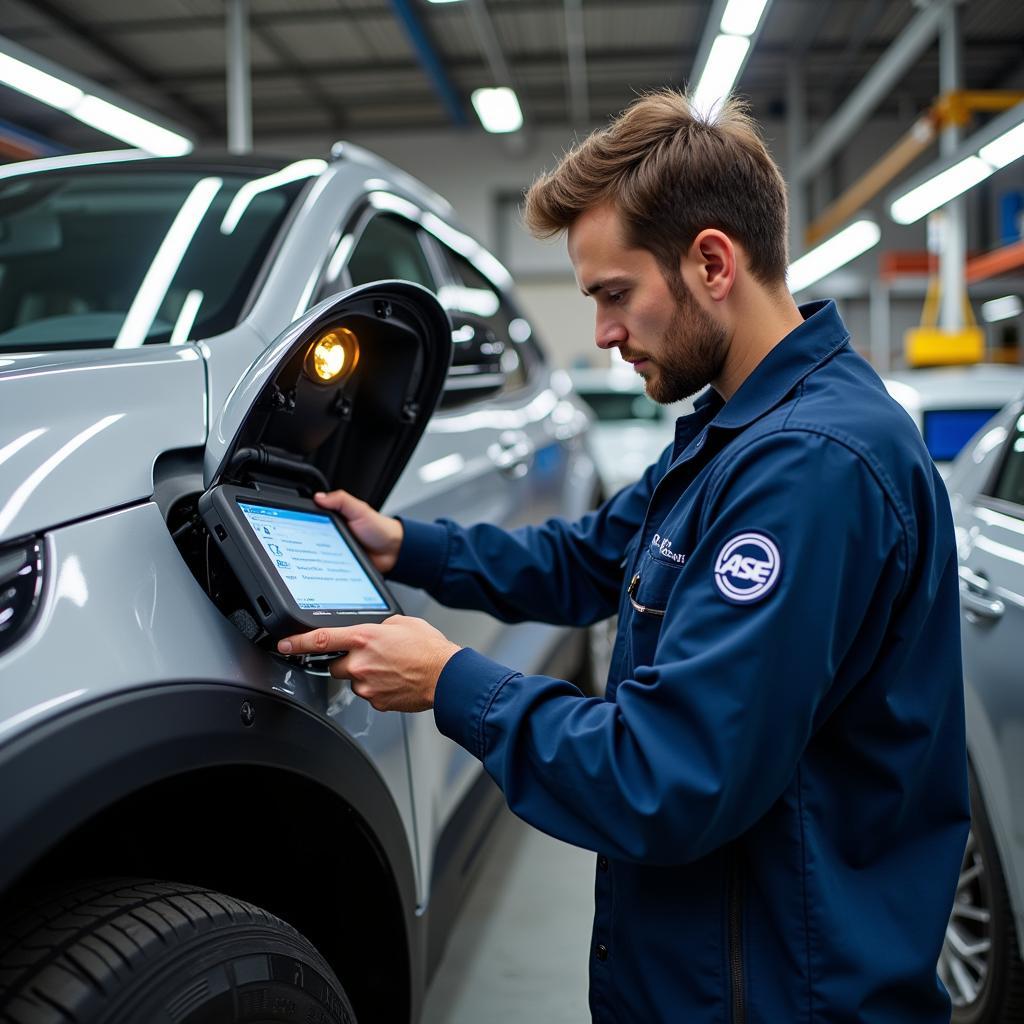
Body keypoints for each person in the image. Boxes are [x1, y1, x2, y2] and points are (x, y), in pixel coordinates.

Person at [278, 90, 969, 1023]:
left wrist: (451, 681)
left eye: (614, 294)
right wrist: (403, 545)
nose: (602, 333)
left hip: (781, 993)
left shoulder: (810, 470)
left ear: (712, 263)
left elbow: (667, 776)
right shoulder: (733, 434)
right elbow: (587, 560)